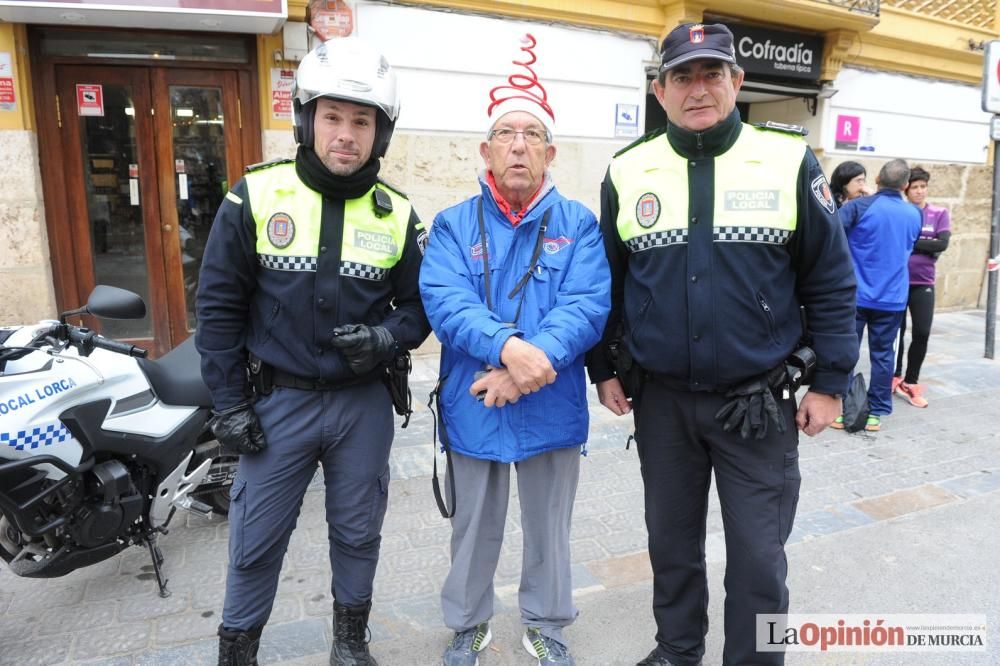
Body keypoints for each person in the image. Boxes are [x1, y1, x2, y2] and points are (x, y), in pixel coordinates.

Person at [584, 23, 858, 666]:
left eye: (712, 73)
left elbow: (830, 280)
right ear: (661, 89)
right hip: (664, 406)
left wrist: (830, 382)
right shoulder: (628, 170)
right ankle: (678, 648)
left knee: (760, 557)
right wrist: (603, 366)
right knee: (671, 544)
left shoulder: (790, 160)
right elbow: (607, 284)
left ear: (737, 81)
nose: (698, 88)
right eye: (683, 75)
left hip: (758, 405)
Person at [195, 38, 429, 666]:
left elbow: (418, 310)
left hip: (362, 408)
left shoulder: (398, 216)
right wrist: (227, 403)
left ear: (380, 133)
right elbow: (217, 310)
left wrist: (386, 339)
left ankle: (350, 645)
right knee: (255, 538)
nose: (346, 134)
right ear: (306, 119)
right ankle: (236, 650)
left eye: (362, 121)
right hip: (276, 406)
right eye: (332, 116)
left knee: (358, 535)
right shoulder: (254, 196)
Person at [418, 33, 610, 666]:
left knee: (549, 529)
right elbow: (444, 301)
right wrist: (508, 347)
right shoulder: (451, 223)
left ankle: (548, 621)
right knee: (472, 529)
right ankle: (468, 623)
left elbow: (585, 305)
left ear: (551, 151)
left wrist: (523, 370)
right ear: (486, 149)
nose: (519, 145)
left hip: (549, 401)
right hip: (476, 399)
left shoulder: (578, 223)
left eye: (531, 134)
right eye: (507, 133)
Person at [834, 159, 921, 432]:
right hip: (893, 299)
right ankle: (877, 413)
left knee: (847, 352)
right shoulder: (914, 214)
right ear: (905, 185)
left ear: (878, 179)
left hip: (856, 296)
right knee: (884, 356)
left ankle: (842, 409)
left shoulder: (858, 207)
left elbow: (831, 234)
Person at [893, 166, 950, 407]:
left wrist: (913, 242)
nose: (919, 191)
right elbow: (896, 241)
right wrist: (927, 243)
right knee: (896, 332)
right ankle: (894, 376)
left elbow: (942, 244)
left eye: (923, 187)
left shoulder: (939, 213)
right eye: (914, 187)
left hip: (923, 283)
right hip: (897, 281)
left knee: (922, 332)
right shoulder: (901, 212)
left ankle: (911, 381)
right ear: (906, 189)